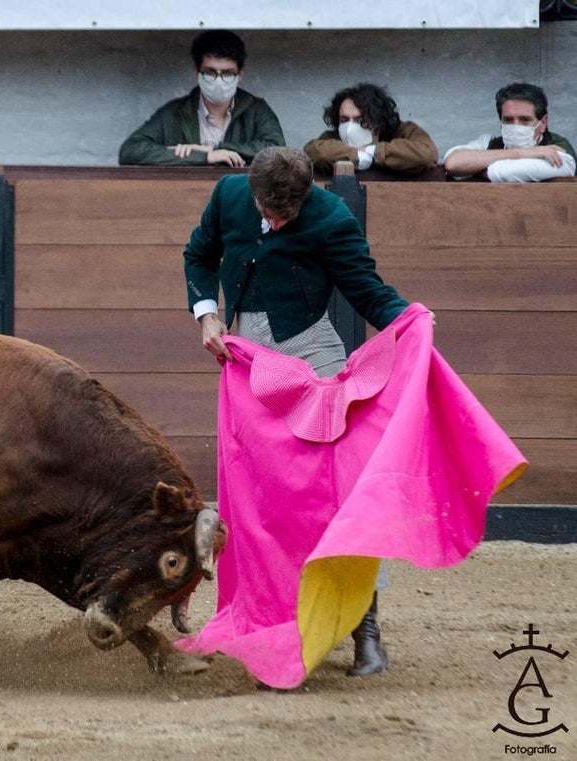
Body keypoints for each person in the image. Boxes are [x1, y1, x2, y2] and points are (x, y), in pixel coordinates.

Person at [185, 146, 410, 678]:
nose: (277, 222)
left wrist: (410, 323)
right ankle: (268, 619)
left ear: (307, 194)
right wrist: (208, 314)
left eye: (287, 214)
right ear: (253, 193)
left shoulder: (331, 217)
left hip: (312, 356)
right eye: (269, 211)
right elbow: (198, 255)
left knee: (339, 493)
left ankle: (366, 630)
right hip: (247, 359)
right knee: (258, 496)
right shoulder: (229, 195)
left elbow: (367, 291)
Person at [118, 30, 285, 167]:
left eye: (227, 73)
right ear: (197, 73)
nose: (219, 80)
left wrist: (215, 149)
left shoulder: (256, 110)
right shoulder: (175, 112)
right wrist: (203, 157)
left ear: (240, 75)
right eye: (211, 72)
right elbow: (131, 151)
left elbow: (278, 151)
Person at [443, 82, 575, 182]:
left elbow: (502, 173)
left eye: (525, 120)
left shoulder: (558, 151)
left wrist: (474, 168)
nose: (516, 125)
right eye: (508, 120)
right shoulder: (489, 142)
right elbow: (453, 163)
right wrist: (519, 153)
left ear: (543, 122)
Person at [303, 83, 438, 175]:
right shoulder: (334, 136)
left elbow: (426, 155)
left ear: (378, 121)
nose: (350, 126)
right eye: (344, 120)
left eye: (360, 120)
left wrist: (373, 152)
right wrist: (356, 156)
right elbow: (313, 153)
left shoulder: (404, 131)